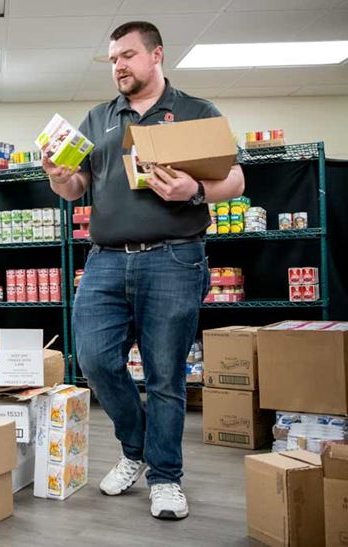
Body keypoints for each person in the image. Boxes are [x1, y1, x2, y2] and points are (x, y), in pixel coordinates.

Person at [43, 21, 245, 520]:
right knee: (92, 359)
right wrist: (55, 176)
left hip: (174, 257)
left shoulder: (198, 111)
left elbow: (236, 179)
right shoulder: (97, 118)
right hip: (106, 260)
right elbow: (76, 189)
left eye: (128, 56)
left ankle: (166, 477)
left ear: (156, 55)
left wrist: (194, 191)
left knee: (165, 376)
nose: (119, 67)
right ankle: (135, 447)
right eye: (113, 59)